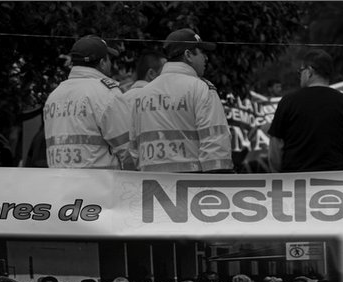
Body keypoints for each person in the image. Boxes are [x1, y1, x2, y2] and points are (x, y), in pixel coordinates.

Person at [128, 28, 233, 173]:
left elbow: (133, 149)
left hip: (150, 186)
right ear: (188, 55)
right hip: (190, 187)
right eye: (202, 52)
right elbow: (215, 143)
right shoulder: (201, 88)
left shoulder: (142, 95)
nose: (206, 58)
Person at [43, 35, 134, 170]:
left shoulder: (54, 96)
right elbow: (127, 151)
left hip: (60, 185)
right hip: (98, 186)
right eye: (109, 59)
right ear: (102, 62)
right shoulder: (106, 94)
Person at [268, 49, 343, 172]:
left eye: (301, 71)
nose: (300, 76)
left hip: (294, 184)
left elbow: (275, 147)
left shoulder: (288, 102)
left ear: (309, 72)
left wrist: (280, 177)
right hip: (334, 184)